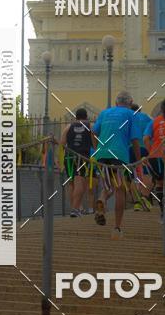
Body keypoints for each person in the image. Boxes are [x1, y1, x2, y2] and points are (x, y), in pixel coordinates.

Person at [91, 91, 140, 237]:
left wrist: (96, 149)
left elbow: (93, 132)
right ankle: (117, 228)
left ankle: (101, 199)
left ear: (116, 102)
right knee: (120, 189)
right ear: (130, 103)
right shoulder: (131, 114)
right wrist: (138, 160)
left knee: (108, 185)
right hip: (119, 154)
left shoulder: (105, 113)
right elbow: (135, 139)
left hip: (102, 154)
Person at [60, 108, 94, 217]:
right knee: (80, 182)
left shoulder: (68, 127)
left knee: (71, 183)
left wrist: (59, 160)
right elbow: (95, 144)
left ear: (76, 117)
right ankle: (75, 209)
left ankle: (76, 208)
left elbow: (62, 144)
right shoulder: (90, 127)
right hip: (82, 157)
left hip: (69, 157)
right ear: (86, 117)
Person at [144, 98, 165, 217]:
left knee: (160, 184)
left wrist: (151, 151)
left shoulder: (154, 121)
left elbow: (146, 138)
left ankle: (163, 212)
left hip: (156, 156)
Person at [129, 103, 153, 211]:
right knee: (146, 174)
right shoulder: (147, 118)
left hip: (130, 149)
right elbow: (150, 134)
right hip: (143, 148)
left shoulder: (128, 118)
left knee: (134, 177)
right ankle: (144, 196)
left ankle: (137, 203)